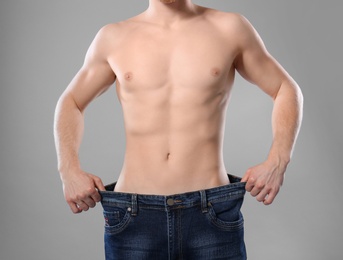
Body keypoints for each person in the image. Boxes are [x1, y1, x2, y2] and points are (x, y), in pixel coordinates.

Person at [54, 0, 303, 259]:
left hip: (211, 213)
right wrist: (68, 170)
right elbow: (71, 101)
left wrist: (278, 160)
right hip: (134, 214)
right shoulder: (113, 37)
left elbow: (285, 88)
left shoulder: (230, 28)